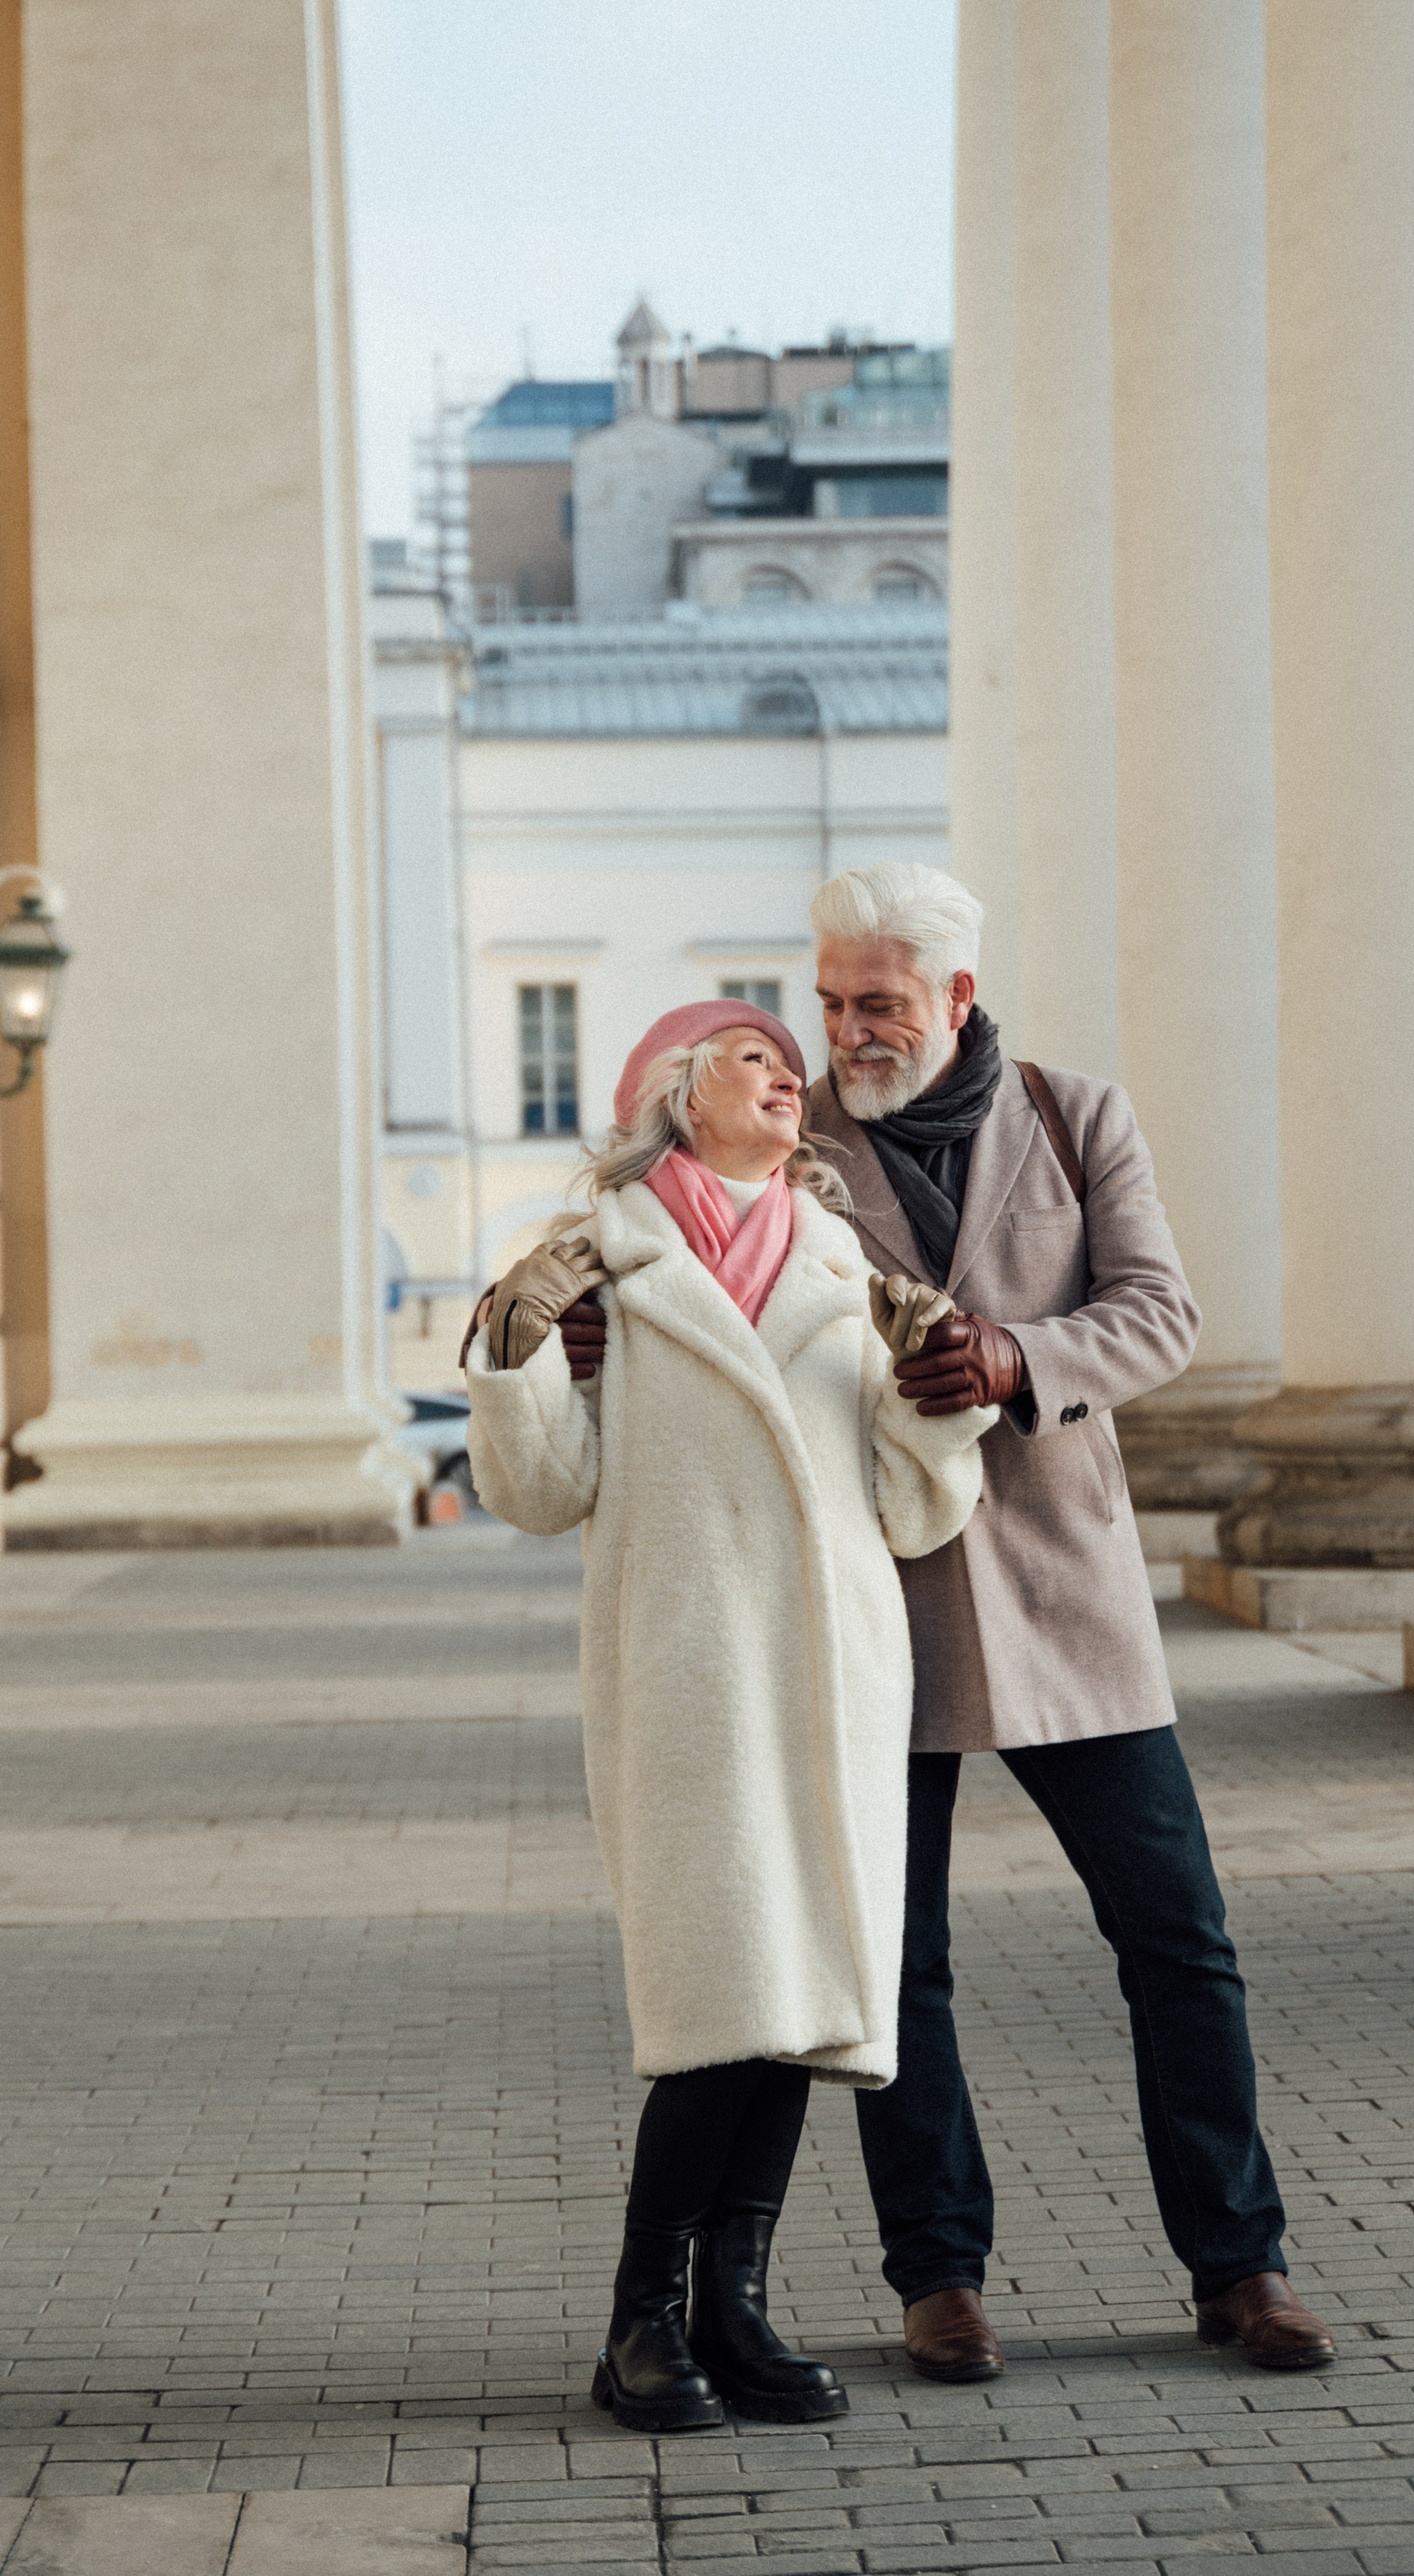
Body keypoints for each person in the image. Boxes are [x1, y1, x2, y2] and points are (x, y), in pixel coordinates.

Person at [798, 862, 1337, 2382]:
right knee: (894, 1961)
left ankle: (1239, 2263)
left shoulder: (1072, 1111)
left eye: (878, 1003)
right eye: (832, 999)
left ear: (954, 997)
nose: (846, 1029)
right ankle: (937, 2276)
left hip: (1062, 1587)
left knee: (1178, 1938)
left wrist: (1018, 1356)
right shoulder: (791, 1145)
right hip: (872, 1592)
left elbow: (1161, 1309)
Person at [464, 1000, 997, 2434]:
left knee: (804, 2007)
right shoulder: (611, 1263)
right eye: (750, 1056)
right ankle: (639, 2321)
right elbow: (544, 1489)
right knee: (721, 2001)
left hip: (830, 1668)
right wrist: (516, 1351)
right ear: (672, 1096)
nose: (786, 1075)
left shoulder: (843, 1260)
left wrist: (940, 1396)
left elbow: (909, 1495)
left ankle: (731, 2311)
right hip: (692, 1669)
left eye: (786, 1061)